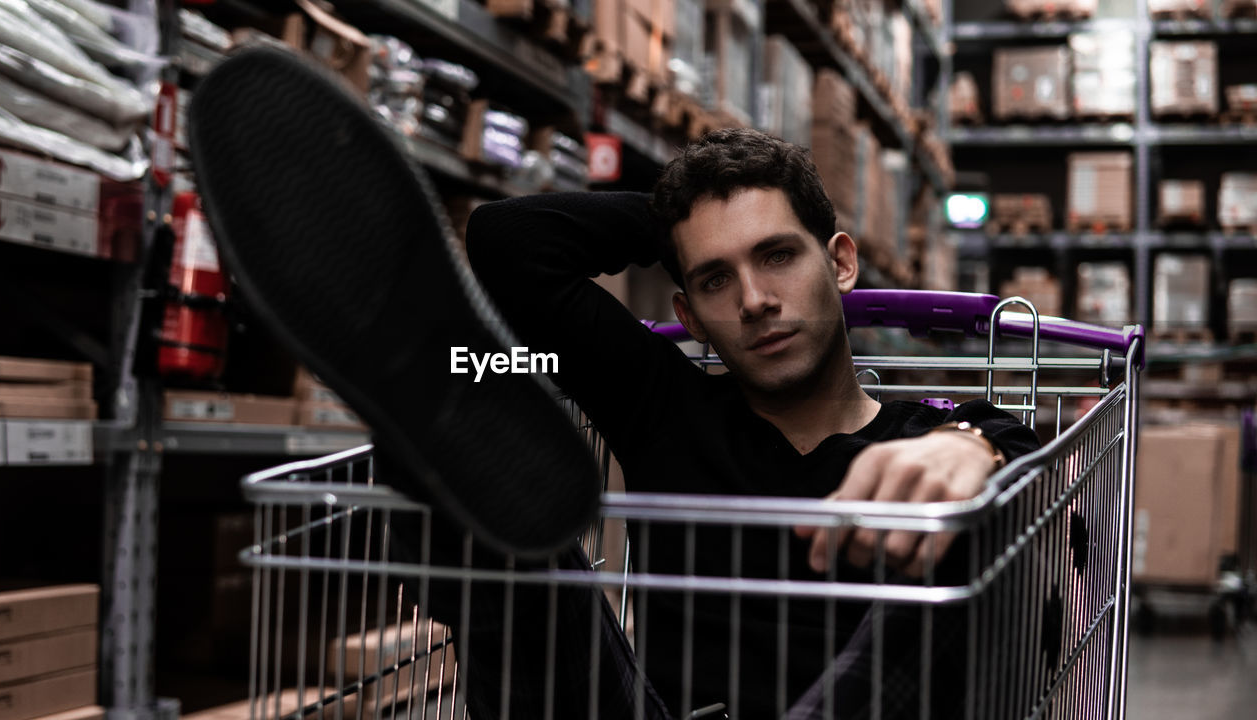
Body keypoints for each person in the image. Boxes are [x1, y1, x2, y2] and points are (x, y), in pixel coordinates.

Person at [189, 49, 1039, 720]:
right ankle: (431, 422)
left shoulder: (928, 433)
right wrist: (680, 209)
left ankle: (451, 404)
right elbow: (510, 244)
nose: (754, 300)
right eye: (714, 279)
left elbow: (1019, 449)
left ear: (840, 262)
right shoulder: (666, 406)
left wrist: (970, 454)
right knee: (507, 523)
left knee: (967, 544)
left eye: (778, 255)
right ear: (688, 313)